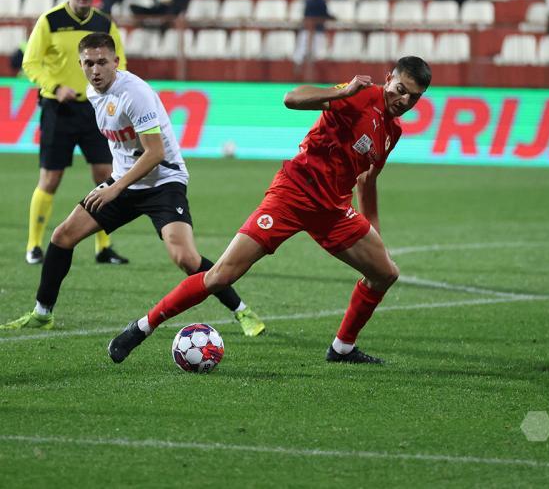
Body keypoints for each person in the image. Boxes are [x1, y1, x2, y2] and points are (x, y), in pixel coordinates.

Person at [106, 57, 433, 365]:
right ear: (388, 79)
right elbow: (292, 98)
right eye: (400, 89)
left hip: (333, 210)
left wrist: (371, 225)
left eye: (413, 97)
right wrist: (343, 91)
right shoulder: (360, 95)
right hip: (292, 194)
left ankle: (342, 348)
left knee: (385, 273)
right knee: (221, 275)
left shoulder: (393, 131)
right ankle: (141, 328)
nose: (404, 100)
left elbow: (367, 177)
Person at [0, 32, 267, 337]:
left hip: (163, 181)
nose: (96, 69)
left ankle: (241, 310)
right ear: (80, 64)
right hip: (124, 181)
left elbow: (155, 153)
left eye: (102, 62)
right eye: (88, 63)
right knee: (63, 236)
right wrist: (116, 182)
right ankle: (42, 314)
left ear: (116, 61)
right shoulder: (92, 93)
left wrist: (114, 187)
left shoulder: (134, 93)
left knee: (185, 258)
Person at [21, 0, 128, 266]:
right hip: (59, 108)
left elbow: (121, 63)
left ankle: (103, 247)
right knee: (50, 179)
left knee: (106, 177)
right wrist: (54, 86)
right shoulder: (50, 21)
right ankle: (34, 245)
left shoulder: (104, 24)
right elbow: (31, 63)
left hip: (97, 109)